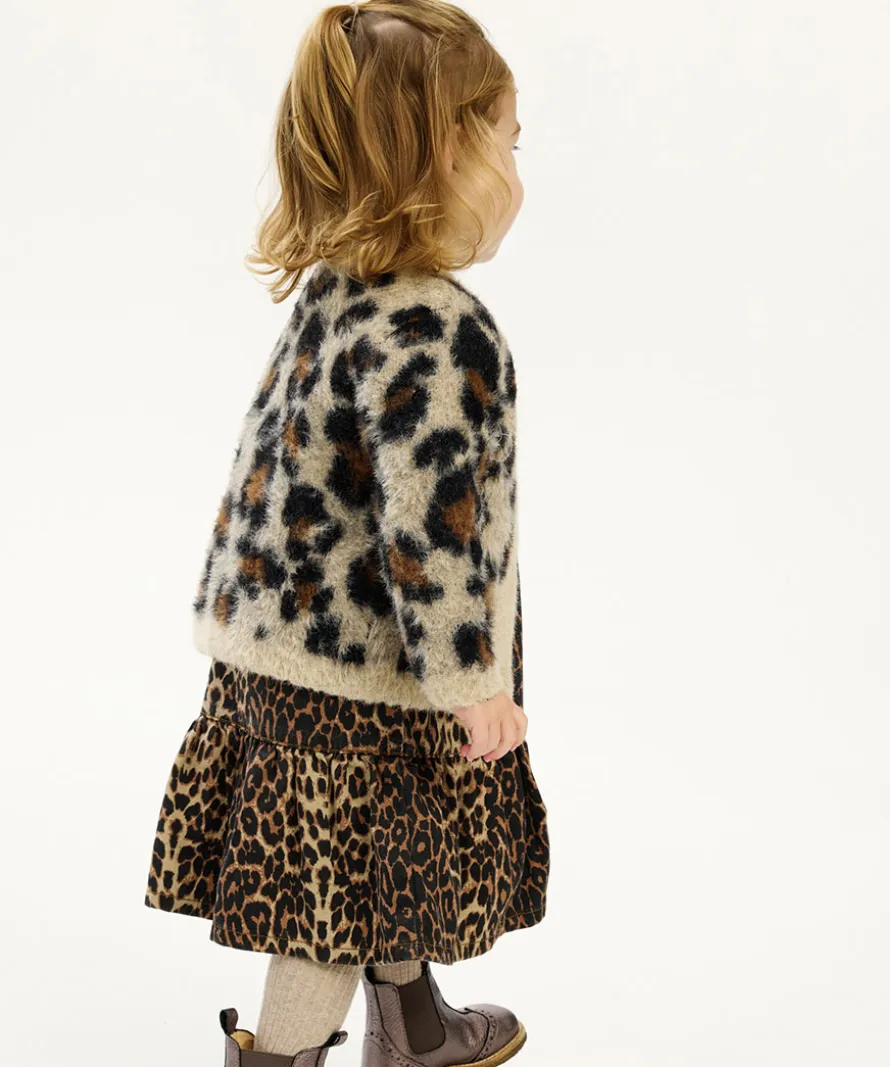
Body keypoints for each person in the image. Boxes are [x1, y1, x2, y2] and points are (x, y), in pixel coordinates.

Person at [142, 2, 550, 1064]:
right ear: (449, 152)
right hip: (360, 675)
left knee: (376, 845)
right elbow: (432, 535)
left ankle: (413, 1027)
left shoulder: (340, 294)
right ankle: (281, 1057)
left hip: (278, 653)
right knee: (322, 904)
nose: (520, 167)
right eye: (510, 142)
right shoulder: (435, 328)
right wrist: (472, 683)